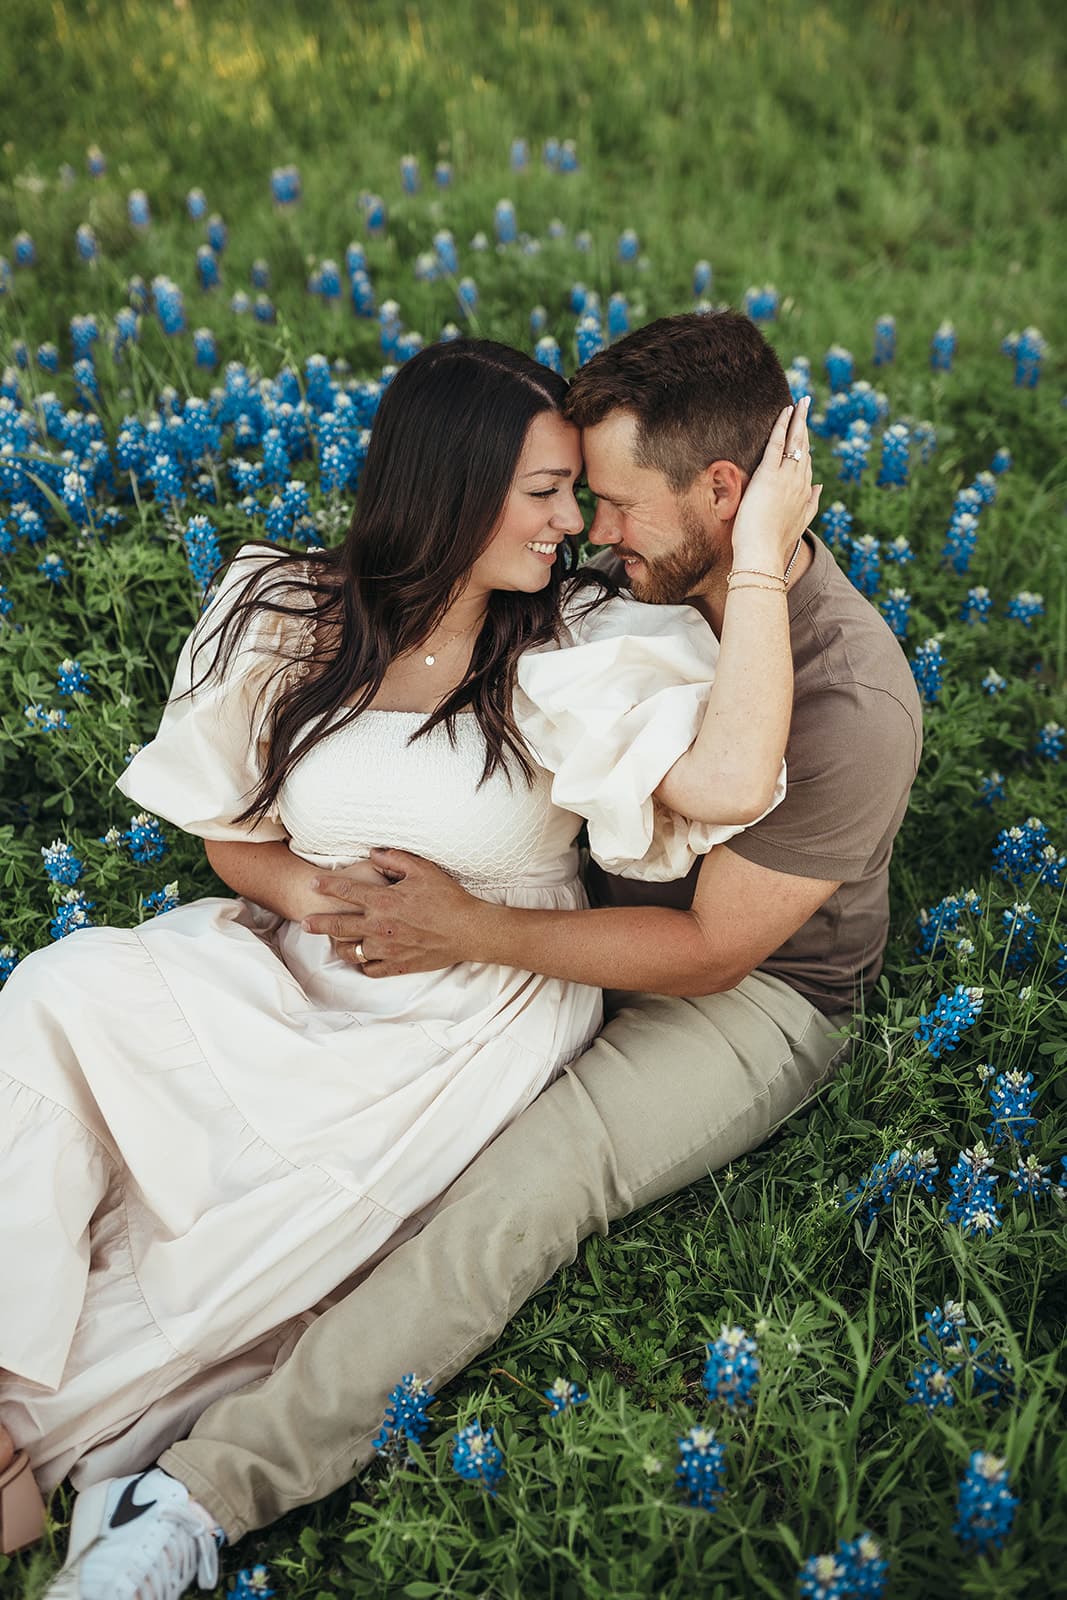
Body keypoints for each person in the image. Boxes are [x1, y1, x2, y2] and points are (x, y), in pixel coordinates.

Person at [0, 331, 815, 1586]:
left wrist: (756, 557)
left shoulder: (573, 641)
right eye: (544, 493)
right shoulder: (288, 608)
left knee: (274, 1216)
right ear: (450, 485)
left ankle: (39, 1435)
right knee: (60, 993)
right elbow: (230, 834)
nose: (573, 526)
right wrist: (311, 893)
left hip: (457, 1020)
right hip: (286, 962)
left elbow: (728, 779)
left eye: (576, 494)